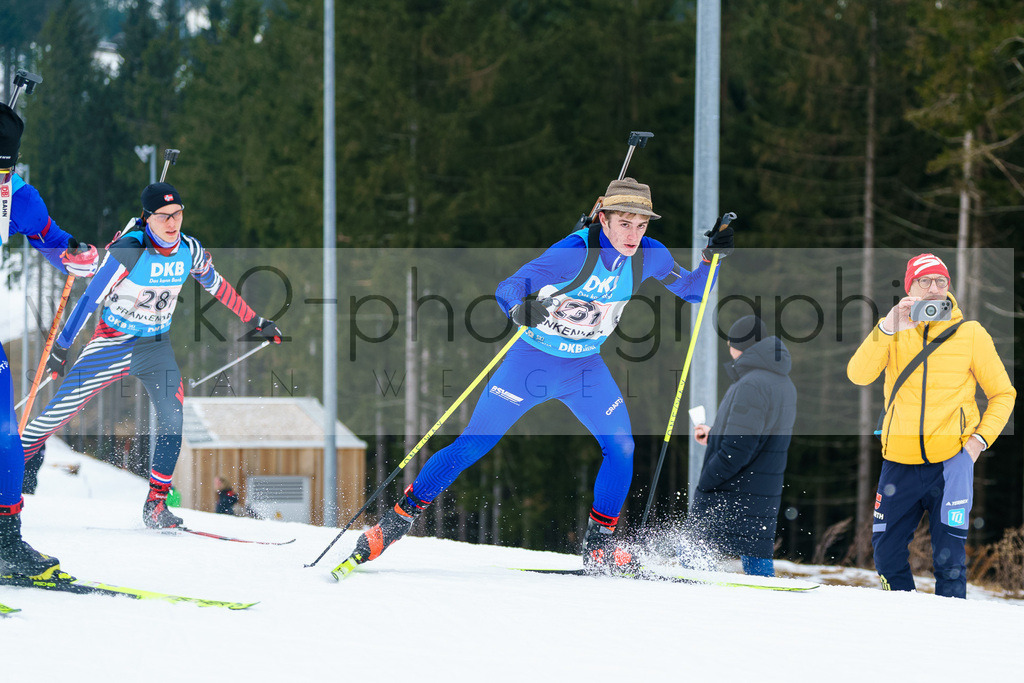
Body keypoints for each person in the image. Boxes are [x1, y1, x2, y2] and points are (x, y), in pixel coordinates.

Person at [334, 177, 734, 577]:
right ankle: (394, 524)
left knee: (623, 448)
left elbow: (694, 291)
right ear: (604, 218)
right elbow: (510, 286)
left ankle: (598, 548)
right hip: (532, 364)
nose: (633, 234)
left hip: (584, 368)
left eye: (641, 224)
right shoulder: (572, 252)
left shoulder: (651, 256)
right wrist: (518, 309)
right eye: (624, 223)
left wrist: (710, 259)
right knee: (473, 445)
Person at [19, 182, 283, 530]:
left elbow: (216, 285)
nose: (172, 222)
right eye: (163, 216)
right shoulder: (130, 249)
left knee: (173, 421)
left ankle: (156, 505)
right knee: (52, 419)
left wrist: (255, 320)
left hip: (155, 347)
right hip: (112, 344)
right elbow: (88, 300)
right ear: (147, 218)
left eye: (177, 214)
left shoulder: (189, 249)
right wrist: (61, 347)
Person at [847, 253, 1016, 598]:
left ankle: (947, 636)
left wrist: (977, 443)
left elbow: (1003, 393)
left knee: (950, 563)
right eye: (924, 281)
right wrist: (886, 328)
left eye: (941, 281)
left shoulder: (970, 334)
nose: (934, 288)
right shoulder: (892, 330)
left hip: (951, 464)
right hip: (899, 462)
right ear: (910, 287)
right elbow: (858, 375)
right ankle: (905, 621)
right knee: (887, 554)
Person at [1, 102, 99, 578]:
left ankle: (4, 541)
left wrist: (75, 256)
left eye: (5, 167)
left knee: (5, 435)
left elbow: (52, 240)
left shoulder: (18, 197)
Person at [686, 315, 796, 577]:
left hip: (733, 489)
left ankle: (691, 601)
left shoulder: (752, 384)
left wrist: (707, 481)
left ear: (742, 346)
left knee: (692, 551)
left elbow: (738, 449)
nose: (728, 347)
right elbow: (759, 437)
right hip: (760, 490)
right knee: (756, 559)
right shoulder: (782, 382)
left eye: (730, 342)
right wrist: (714, 436)